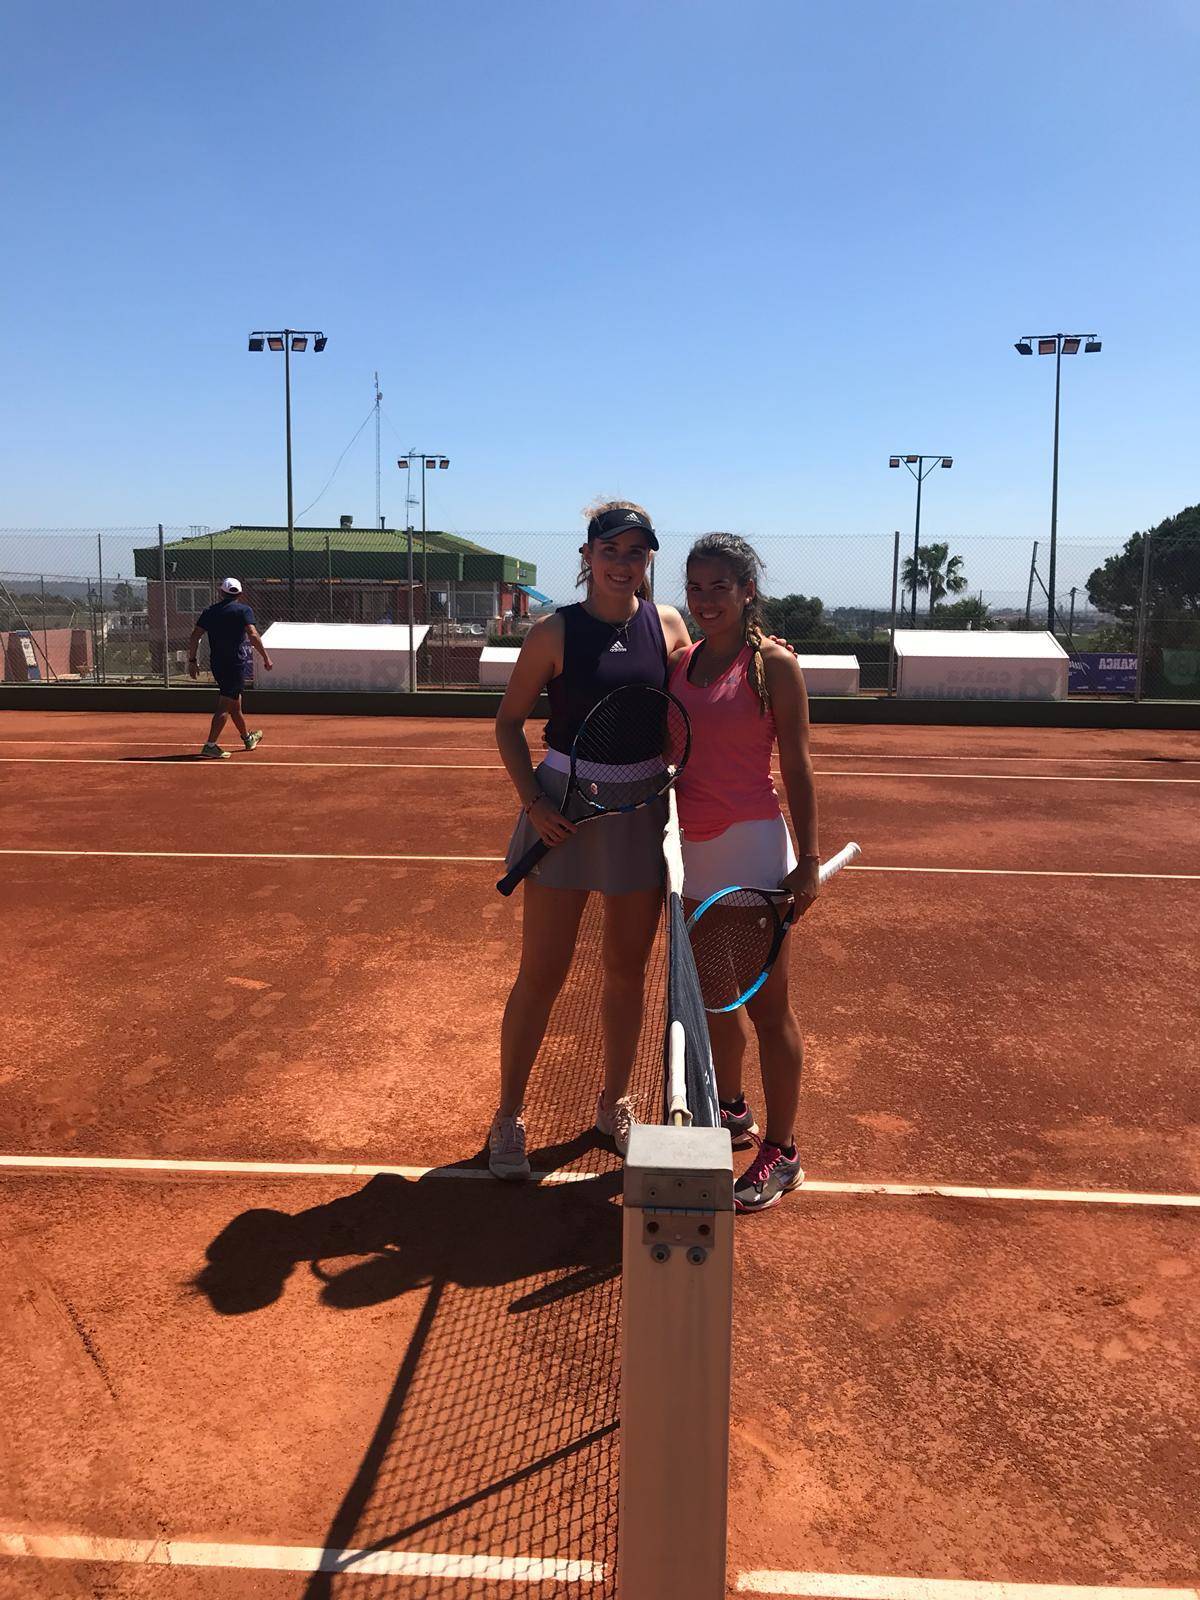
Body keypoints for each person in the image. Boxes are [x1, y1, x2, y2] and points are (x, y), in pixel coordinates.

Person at [489, 501, 692, 1179]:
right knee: (542, 973)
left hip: (640, 813)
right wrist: (535, 803)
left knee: (626, 971)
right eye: (610, 551)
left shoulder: (668, 624)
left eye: (636, 552)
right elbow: (508, 724)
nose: (622, 564)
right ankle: (509, 1115)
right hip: (562, 814)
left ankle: (614, 1104)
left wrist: (763, 648)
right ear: (587, 557)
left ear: (649, 559)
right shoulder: (553, 631)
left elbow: (706, 686)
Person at [669, 533, 820, 1213]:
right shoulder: (681, 663)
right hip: (694, 855)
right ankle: (731, 1109)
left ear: (747, 591)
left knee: (768, 1008)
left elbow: (798, 765)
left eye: (719, 587)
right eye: (695, 587)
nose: (705, 600)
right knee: (713, 1001)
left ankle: (782, 1152)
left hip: (755, 854)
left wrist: (807, 861)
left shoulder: (774, 665)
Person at [188, 578, 273, 759]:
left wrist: (192, 660)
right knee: (224, 706)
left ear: (221, 593)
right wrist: (265, 657)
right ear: (240, 594)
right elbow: (253, 634)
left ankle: (247, 738)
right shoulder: (244, 610)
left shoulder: (209, 612)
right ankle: (210, 745)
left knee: (235, 705)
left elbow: (195, 636)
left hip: (217, 664)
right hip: (234, 665)